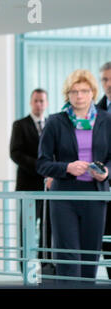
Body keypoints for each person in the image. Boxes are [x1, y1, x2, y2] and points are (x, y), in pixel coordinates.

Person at [37, 69, 111, 285]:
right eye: (74, 91)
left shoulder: (107, 120)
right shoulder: (55, 122)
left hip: (96, 196)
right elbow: (42, 163)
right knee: (68, 258)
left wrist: (106, 172)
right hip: (64, 197)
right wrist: (67, 167)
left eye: (84, 91)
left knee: (89, 258)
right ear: (67, 95)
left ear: (93, 93)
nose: (79, 96)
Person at [10, 88, 53, 271]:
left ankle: (46, 264)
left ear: (47, 103)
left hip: (49, 186)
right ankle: (24, 266)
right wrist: (40, 167)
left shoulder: (52, 124)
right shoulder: (20, 125)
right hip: (28, 185)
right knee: (26, 227)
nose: (39, 104)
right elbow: (15, 153)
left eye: (42, 101)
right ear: (30, 102)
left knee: (47, 227)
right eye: (36, 101)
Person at [96, 61, 111, 280]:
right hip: (102, 186)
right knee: (106, 238)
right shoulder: (94, 111)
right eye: (105, 79)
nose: (109, 84)